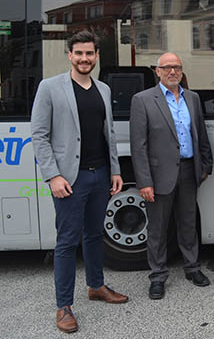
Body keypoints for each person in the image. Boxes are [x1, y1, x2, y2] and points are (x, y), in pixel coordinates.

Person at [31, 30, 128, 334]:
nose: (85, 58)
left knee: (95, 234)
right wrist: (53, 175)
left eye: (90, 53)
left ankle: (96, 286)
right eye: (79, 53)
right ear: (69, 55)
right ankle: (64, 307)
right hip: (69, 180)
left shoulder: (102, 89)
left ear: (96, 56)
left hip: (99, 174)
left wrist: (114, 170)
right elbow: (39, 136)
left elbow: (108, 134)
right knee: (67, 241)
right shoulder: (50, 88)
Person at [130, 52, 213, 300]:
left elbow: (200, 133)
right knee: (158, 229)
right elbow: (139, 145)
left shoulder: (193, 98)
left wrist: (205, 164)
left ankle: (193, 268)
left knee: (188, 224)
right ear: (157, 71)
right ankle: (157, 277)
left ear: (182, 70)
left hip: (189, 171)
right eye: (166, 68)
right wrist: (144, 181)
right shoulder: (142, 100)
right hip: (158, 176)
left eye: (176, 67)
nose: (172, 72)